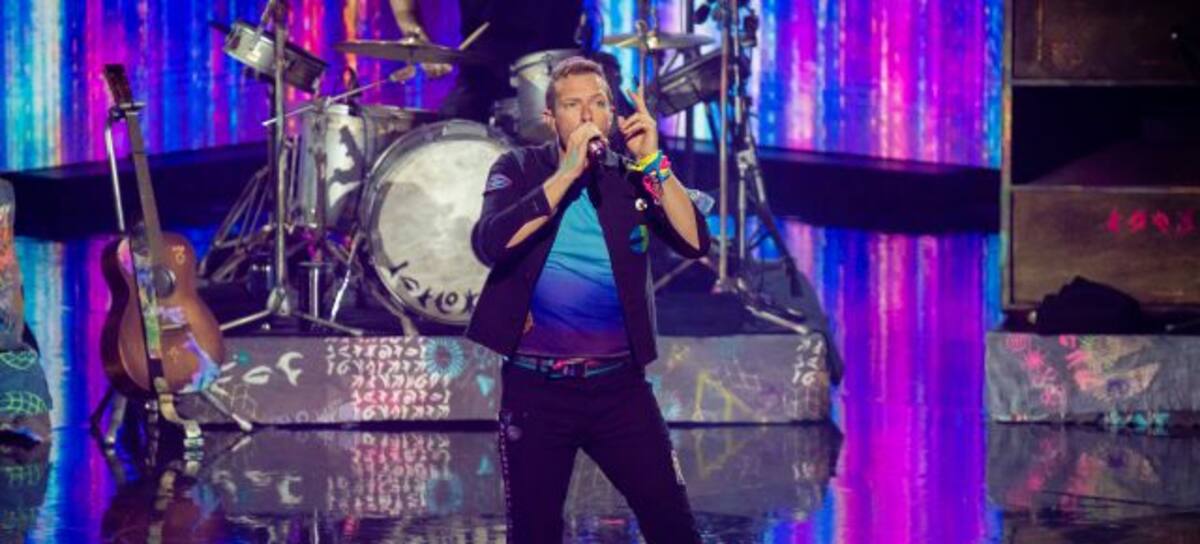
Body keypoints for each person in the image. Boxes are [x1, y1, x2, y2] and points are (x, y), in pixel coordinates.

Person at [465, 57, 709, 543]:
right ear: (550, 118)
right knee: (534, 533)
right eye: (572, 105)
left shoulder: (633, 177)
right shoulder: (519, 168)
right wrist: (567, 174)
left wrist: (654, 163)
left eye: (598, 103)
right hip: (537, 392)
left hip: (620, 389)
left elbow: (694, 241)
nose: (586, 115)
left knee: (674, 526)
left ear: (612, 114)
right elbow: (491, 242)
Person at [388, 0, 632, 123]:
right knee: (449, 137)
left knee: (628, 130)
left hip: (563, 64)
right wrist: (412, 28)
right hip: (484, 71)